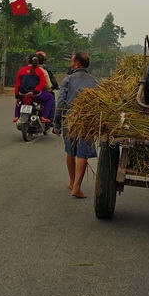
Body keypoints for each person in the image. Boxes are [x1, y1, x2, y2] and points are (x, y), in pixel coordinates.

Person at [53, 52, 99, 199]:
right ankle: (77, 187)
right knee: (83, 153)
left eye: (72, 61)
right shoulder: (95, 81)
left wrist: (57, 123)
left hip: (70, 119)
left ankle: (72, 182)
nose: (70, 64)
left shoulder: (69, 79)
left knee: (70, 151)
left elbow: (60, 102)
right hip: (87, 121)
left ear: (77, 63)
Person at [13, 54, 54, 123]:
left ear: (27, 61)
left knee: (18, 101)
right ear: (37, 61)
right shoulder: (39, 71)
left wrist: (17, 95)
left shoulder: (21, 70)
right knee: (50, 97)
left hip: (23, 93)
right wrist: (33, 92)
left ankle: (16, 116)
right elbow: (42, 83)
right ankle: (44, 117)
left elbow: (17, 84)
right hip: (36, 94)